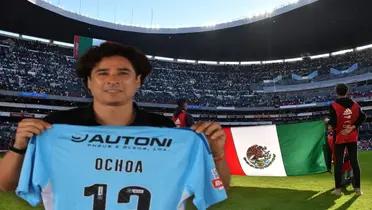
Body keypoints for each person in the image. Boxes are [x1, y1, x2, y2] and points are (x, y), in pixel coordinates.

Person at [0, 42, 230, 193]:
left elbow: (216, 188)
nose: (113, 80)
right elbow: (5, 185)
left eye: (123, 73)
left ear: (138, 80)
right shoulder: (56, 126)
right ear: (89, 82)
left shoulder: (163, 128)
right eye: (102, 73)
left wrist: (218, 155)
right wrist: (19, 146)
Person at [328, 83, 366, 196]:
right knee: (354, 162)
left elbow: (333, 124)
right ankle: (358, 189)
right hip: (352, 137)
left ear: (336, 92)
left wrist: (328, 123)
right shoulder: (355, 104)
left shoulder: (333, 105)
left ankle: (338, 190)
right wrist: (352, 127)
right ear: (347, 92)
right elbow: (363, 117)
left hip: (339, 137)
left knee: (338, 164)